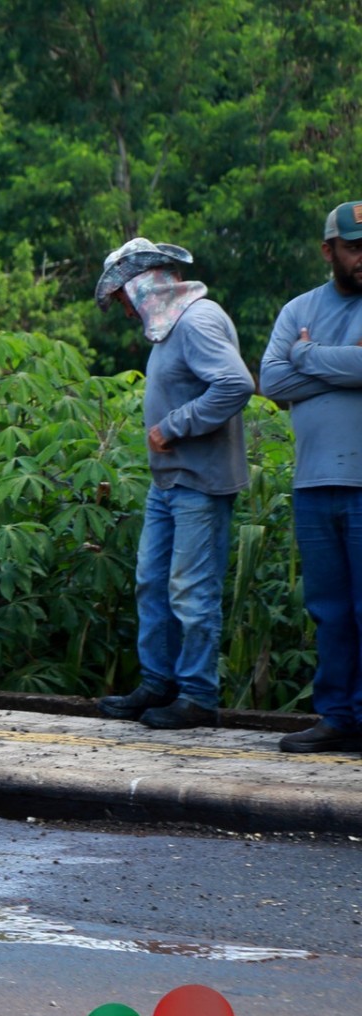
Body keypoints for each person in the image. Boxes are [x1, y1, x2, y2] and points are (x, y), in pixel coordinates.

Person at [92, 239, 253, 730]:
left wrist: (174, 426)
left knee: (190, 589)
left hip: (200, 484)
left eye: (120, 296)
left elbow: (235, 384)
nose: (121, 309)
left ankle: (198, 695)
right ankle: (158, 682)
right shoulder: (170, 328)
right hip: (170, 484)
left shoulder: (198, 320)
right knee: (152, 584)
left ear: (140, 285)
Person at [258, 201, 362, 753]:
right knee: (329, 609)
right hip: (315, 483)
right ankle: (337, 717)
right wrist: (339, 363)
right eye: (354, 247)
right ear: (329, 251)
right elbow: (271, 382)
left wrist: (306, 355)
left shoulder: (302, 332)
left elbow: (293, 368)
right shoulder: (298, 307)